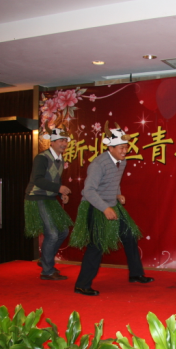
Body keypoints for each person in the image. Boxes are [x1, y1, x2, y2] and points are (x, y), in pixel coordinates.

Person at [70, 121, 153, 296]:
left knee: (129, 235)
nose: (125, 151)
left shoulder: (122, 162)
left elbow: (114, 181)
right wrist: (105, 208)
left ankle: (136, 274)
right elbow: (89, 191)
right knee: (97, 244)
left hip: (111, 203)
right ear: (111, 148)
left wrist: (117, 194)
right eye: (121, 148)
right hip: (95, 206)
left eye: (126, 147)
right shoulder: (98, 164)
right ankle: (82, 285)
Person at [24, 126, 73, 280]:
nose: (64, 143)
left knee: (63, 231)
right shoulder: (42, 158)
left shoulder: (60, 158)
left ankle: (45, 259)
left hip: (50, 198)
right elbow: (38, 180)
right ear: (52, 142)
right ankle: (47, 271)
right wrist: (59, 188)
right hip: (37, 197)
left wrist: (61, 194)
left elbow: (55, 180)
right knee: (52, 234)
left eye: (65, 140)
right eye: (60, 140)